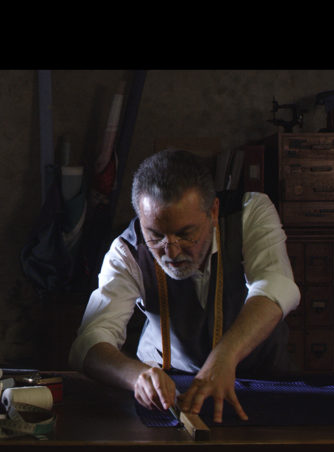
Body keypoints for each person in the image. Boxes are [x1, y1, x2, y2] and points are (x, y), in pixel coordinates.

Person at [69, 149, 300, 423]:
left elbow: (275, 285)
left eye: (185, 234)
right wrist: (136, 376)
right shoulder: (127, 250)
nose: (171, 251)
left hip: (263, 387)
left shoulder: (250, 212)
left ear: (213, 211)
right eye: (155, 235)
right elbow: (89, 341)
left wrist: (225, 356)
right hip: (172, 394)